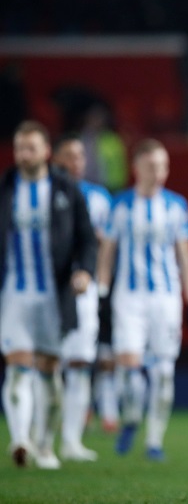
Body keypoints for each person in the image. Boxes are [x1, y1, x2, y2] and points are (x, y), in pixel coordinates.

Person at [96, 138, 188, 461]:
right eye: (152, 165)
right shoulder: (120, 205)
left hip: (165, 298)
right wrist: (102, 292)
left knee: (164, 371)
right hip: (128, 297)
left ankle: (154, 440)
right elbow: (107, 252)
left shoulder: (176, 205)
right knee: (128, 367)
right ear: (136, 168)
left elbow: (184, 255)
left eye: (163, 166)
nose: (159, 172)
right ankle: (131, 416)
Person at [0, 120, 97, 469]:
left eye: (30, 147)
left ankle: (44, 444)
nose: (23, 154)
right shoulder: (6, 188)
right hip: (14, 295)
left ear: (45, 151)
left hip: (54, 296)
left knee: (48, 372)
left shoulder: (66, 190)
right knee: (17, 367)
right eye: (18, 148)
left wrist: (85, 270)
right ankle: (20, 439)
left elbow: (87, 238)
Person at [52, 134, 113, 460]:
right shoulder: (44, 191)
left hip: (84, 288)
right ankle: (36, 436)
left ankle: (72, 439)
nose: (77, 162)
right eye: (69, 155)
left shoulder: (100, 198)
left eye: (80, 156)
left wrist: (100, 282)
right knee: (44, 363)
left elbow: (103, 245)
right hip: (50, 289)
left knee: (79, 362)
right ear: (56, 158)